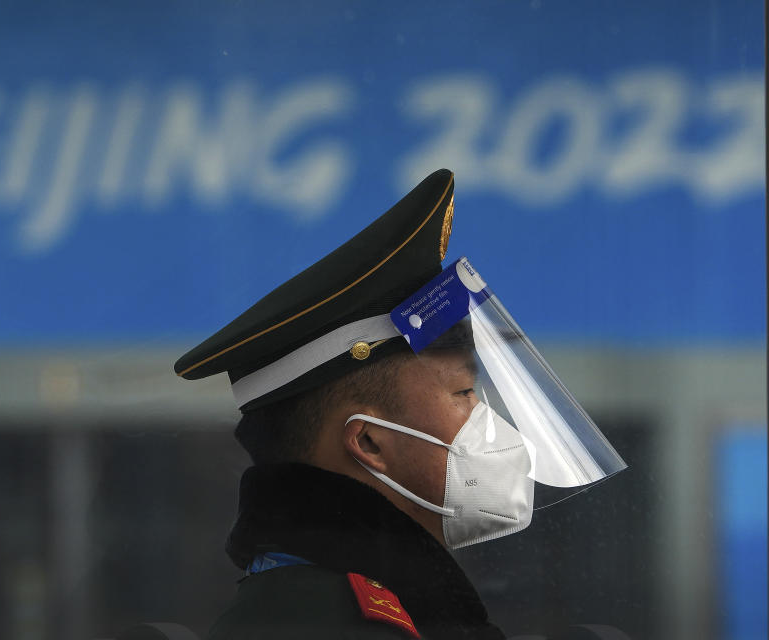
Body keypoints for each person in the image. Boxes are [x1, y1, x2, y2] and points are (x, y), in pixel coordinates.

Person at [174, 169, 626, 639]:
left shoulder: (347, 608)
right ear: (369, 440)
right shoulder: (341, 625)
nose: (490, 422)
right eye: (464, 394)